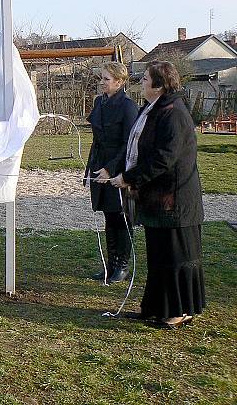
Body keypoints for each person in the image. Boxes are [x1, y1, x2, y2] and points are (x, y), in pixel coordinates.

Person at [111, 61, 205, 328]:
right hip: (157, 200)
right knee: (159, 257)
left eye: (145, 79)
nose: (141, 82)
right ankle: (156, 307)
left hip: (175, 202)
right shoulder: (154, 109)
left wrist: (129, 177)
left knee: (176, 257)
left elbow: (164, 158)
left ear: (160, 84)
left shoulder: (174, 113)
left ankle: (179, 311)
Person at [85, 61, 138, 283]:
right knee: (109, 216)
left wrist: (111, 169)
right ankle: (110, 264)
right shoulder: (100, 102)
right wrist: (91, 167)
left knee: (121, 217)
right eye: (102, 78)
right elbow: (97, 139)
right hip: (100, 164)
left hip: (119, 168)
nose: (102, 83)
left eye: (106, 79)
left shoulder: (127, 106)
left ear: (119, 81)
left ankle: (122, 266)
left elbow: (129, 143)